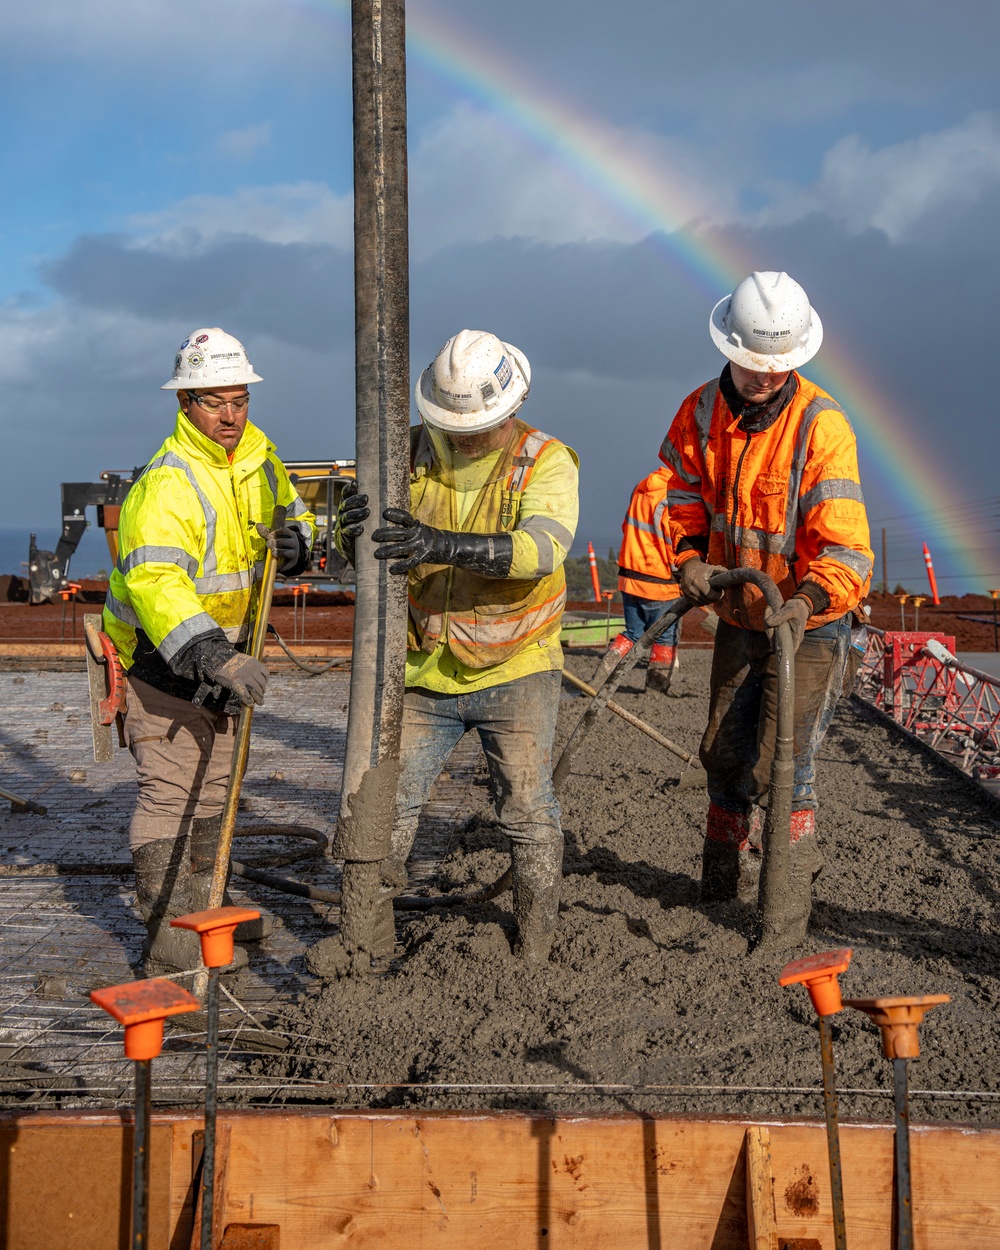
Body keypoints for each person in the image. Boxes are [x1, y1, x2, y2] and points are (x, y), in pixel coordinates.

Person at [338, 329, 579, 961]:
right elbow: (373, 550)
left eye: (481, 424)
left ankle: (535, 948)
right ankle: (368, 950)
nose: (469, 436)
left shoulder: (544, 458)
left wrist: (442, 545)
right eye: (457, 425)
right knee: (386, 809)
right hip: (422, 669)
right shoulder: (405, 453)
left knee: (526, 809)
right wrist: (351, 538)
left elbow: (543, 549)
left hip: (516, 665)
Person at [660, 272, 872, 943]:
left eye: (778, 369)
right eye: (754, 367)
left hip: (810, 620)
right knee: (724, 752)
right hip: (740, 613)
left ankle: (783, 914)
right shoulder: (699, 412)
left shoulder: (822, 425)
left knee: (787, 763)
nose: (764, 380)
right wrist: (691, 558)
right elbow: (681, 493)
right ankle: (720, 888)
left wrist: (806, 599)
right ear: (732, 349)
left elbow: (847, 548)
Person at [102, 328, 315, 975]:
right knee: (171, 797)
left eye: (239, 401)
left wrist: (299, 542)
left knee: (213, 790)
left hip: (219, 661)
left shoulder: (259, 462)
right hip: (161, 664)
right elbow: (156, 584)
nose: (229, 416)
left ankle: (203, 912)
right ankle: (171, 940)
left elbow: (293, 528)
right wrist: (213, 655)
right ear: (187, 402)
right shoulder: (168, 483)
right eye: (213, 402)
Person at [592, 465, 682, 693]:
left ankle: (599, 680)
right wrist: (683, 574)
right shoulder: (673, 494)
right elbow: (674, 542)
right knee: (664, 637)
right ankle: (656, 690)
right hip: (659, 582)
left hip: (629, 577)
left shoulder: (642, 487)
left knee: (633, 633)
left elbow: (627, 527)